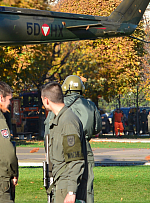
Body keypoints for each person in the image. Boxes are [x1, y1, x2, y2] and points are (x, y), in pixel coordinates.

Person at [45, 75, 101, 203]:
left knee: (61, 183)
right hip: (85, 147)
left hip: (60, 147)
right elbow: (97, 128)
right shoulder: (90, 105)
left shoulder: (58, 105)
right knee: (86, 187)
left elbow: (48, 131)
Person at [42, 81, 87, 203]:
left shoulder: (68, 121)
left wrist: (71, 192)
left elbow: (76, 159)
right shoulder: (59, 120)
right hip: (61, 183)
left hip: (67, 185)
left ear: (46, 100)